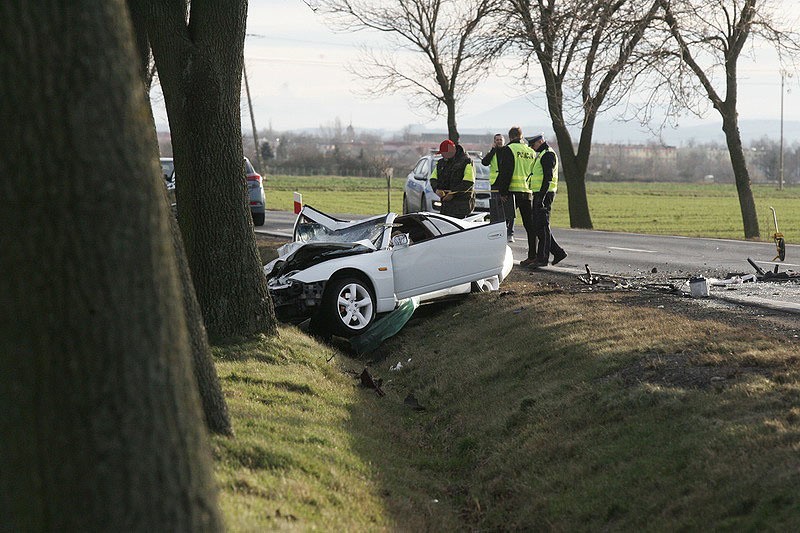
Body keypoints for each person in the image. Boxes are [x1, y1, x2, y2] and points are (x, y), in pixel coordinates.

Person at [495, 126, 538, 266]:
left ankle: (498, 256)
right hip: (527, 192)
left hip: (512, 192)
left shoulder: (509, 149)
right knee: (530, 226)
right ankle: (532, 255)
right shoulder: (531, 151)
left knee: (503, 224)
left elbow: (505, 172)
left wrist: (503, 192)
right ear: (521, 136)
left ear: (510, 137)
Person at [528, 133, 567, 267]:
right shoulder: (543, 153)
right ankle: (558, 252)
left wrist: (542, 198)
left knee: (542, 226)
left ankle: (542, 258)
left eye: (533, 145)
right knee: (539, 225)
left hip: (545, 194)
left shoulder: (548, 155)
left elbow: (547, 178)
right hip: (541, 193)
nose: (532, 148)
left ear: (539, 142)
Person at [482, 133, 516, 242]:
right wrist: (492, 151)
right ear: (494, 141)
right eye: (496, 140)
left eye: (500, 140)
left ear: (504, 141)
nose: (499, 142)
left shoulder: (508, 151)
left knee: (509, 209)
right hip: (495, 183)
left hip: (506, 182)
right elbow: (485, 162)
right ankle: (497, 231)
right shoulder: (493, 152)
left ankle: (509, 232)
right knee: (496, 209)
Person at [430, 139, 475, 218]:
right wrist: (436, 189)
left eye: (443, 153)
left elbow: (468, 182)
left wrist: (453, 193)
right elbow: (433, 178)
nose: (442, 155)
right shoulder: (441, 163)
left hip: (461, 207)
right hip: (445, 206)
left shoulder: (466, 162)